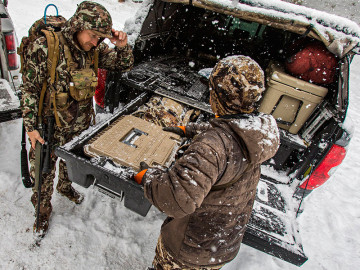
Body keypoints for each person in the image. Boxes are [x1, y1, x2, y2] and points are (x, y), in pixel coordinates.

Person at [134, 55, 280, 269]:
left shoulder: (211, 147)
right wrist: (189, 130)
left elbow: (177, 200)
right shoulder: (259, 128)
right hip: (222, 243)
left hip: (190, 249)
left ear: (217, 97)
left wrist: (147, 177)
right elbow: (230, 134)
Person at [20, 1, 134, 236]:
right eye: (93, 35)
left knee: (70, 163)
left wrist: (121, 45)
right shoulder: (45, 47)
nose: (95, 42)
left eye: (99, 38)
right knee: (43, 172)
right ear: (78, 26)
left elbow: (123, 64)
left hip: (80, 123)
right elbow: (29, 89)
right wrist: (31, 127)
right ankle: (42, 213)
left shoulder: (95, 49)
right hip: (49, 125)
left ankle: (65, 187)